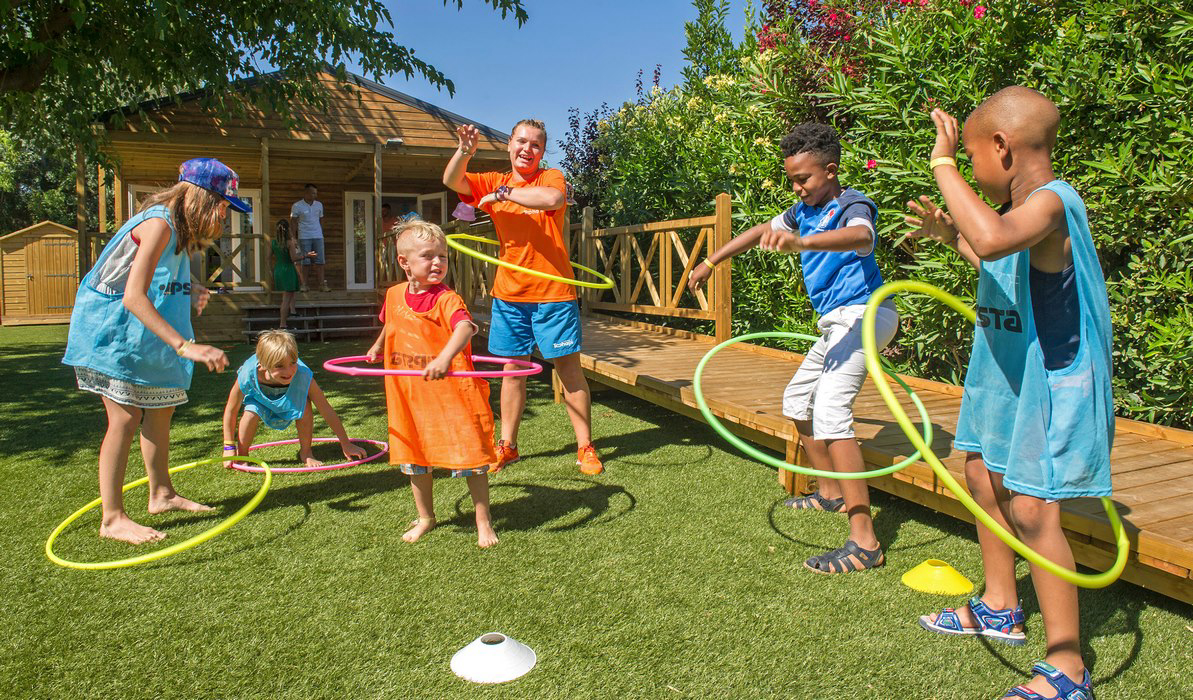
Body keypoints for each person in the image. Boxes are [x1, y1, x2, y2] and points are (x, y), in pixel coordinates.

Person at [907, 87, 1111, 700]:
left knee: (1032, 508)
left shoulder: (1052, 203)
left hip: (1051, 377)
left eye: (971, 158)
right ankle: (1000, 606)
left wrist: (943, 164)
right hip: (1006, 371)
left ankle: (1068, 668)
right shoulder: (1023, 215)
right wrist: (952, 239)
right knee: (979, 475)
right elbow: (995, 255)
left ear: (1002, 147)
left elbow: (997, 239)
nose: (967, 170)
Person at [688, 123, 899, 574]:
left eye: (803, 178)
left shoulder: (850, 205)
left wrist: (802, 242)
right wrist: (711, 261)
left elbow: (862, 238)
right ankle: (831, 492)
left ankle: (865, 543)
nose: (797, 187)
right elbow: (756, 232)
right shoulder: (802, 210)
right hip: (836, 324)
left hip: (865, 314)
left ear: (831, 170)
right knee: (797, 401)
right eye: (792, 180)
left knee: (831, 412)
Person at [61, 157, 239, 545]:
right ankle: (112, 518)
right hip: (114, 332)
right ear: (202, 200)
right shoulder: (159, 223)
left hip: (143, 333)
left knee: (160, 409)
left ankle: (161, 494)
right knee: (125, 417)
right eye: (223, 208)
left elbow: (157, 274)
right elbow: (133, 296)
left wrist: (192, 287)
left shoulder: (178, 231)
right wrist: (185, 346)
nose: (225, 219)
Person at [443, 119, 604, 476]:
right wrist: (464, 152)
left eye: (535, 145)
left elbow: (553, 199)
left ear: (542, 152)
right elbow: (452, 181)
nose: (526, 149)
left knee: (568, 370)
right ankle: (509, 446)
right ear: (509, 145)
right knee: (513, 372)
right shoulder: (491, 180)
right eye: (521, 141)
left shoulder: (550, 177)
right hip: (510, 293)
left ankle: (585, 447)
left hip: (554, 292)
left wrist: (503, 195)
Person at [365, 221, 499, 548]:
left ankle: (484, 520)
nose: (438, 262)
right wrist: (379, 345)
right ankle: (426, 516)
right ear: (404, 263)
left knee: (471, 457)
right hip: (410, 397)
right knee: (415, 457)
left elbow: (466, 328)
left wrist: (443, 359)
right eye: (428, 256)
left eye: (443, 256)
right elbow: (392, 321)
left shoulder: (447, 299)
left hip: (452, 396)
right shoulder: (395, 294)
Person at [221, 329, 366, 469]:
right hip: (261, 400)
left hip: (292, 399)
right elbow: (231, 410)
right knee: (250, 412)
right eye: (279, 366)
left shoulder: (302, 374)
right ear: (263, 364)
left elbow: (325, 409)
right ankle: (243, 454)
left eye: (293, 362)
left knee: (304, 408)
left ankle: (306, 452)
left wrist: (345, 443)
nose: (289, 371)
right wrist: (228, 445)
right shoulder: (247, 375)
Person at [290, 183, 329, 292]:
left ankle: (322, 285)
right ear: (306, 193)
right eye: (312, 193)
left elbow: (321, 220)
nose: (315, 195)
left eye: (316, 193)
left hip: (318, 236)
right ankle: (304, 285)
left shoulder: (319, 205)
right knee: (305, 262)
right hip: (304, 236)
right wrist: (293, 237)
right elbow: (293, 222)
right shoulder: (297, 206)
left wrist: (321, 232)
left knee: (320, 261)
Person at [272, 219, 310, 328]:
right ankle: (282, 324)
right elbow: (294, 258)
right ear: (287, 229)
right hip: (288, 269)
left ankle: (292, 312)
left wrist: (271, 271)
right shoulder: (289, 243)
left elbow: (267, 258)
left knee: (289, 294)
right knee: (286, 299)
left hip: (278, 269)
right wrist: (307, 256)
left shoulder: (273, 242)